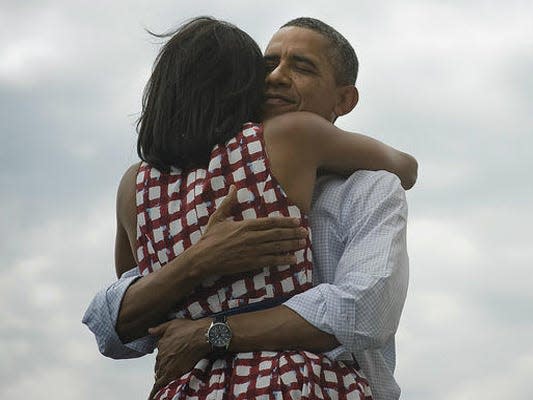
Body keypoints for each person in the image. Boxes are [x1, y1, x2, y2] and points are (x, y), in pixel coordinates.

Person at [84, 17, 414, 400]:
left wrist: (209, 330)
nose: (275, 77)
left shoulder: (138, 185)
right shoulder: (281, 145)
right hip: (293, 382)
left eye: (301, 66)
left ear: (344, 100)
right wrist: (200, 259)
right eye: (266, 65)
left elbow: (363, 312)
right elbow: (123, 320)